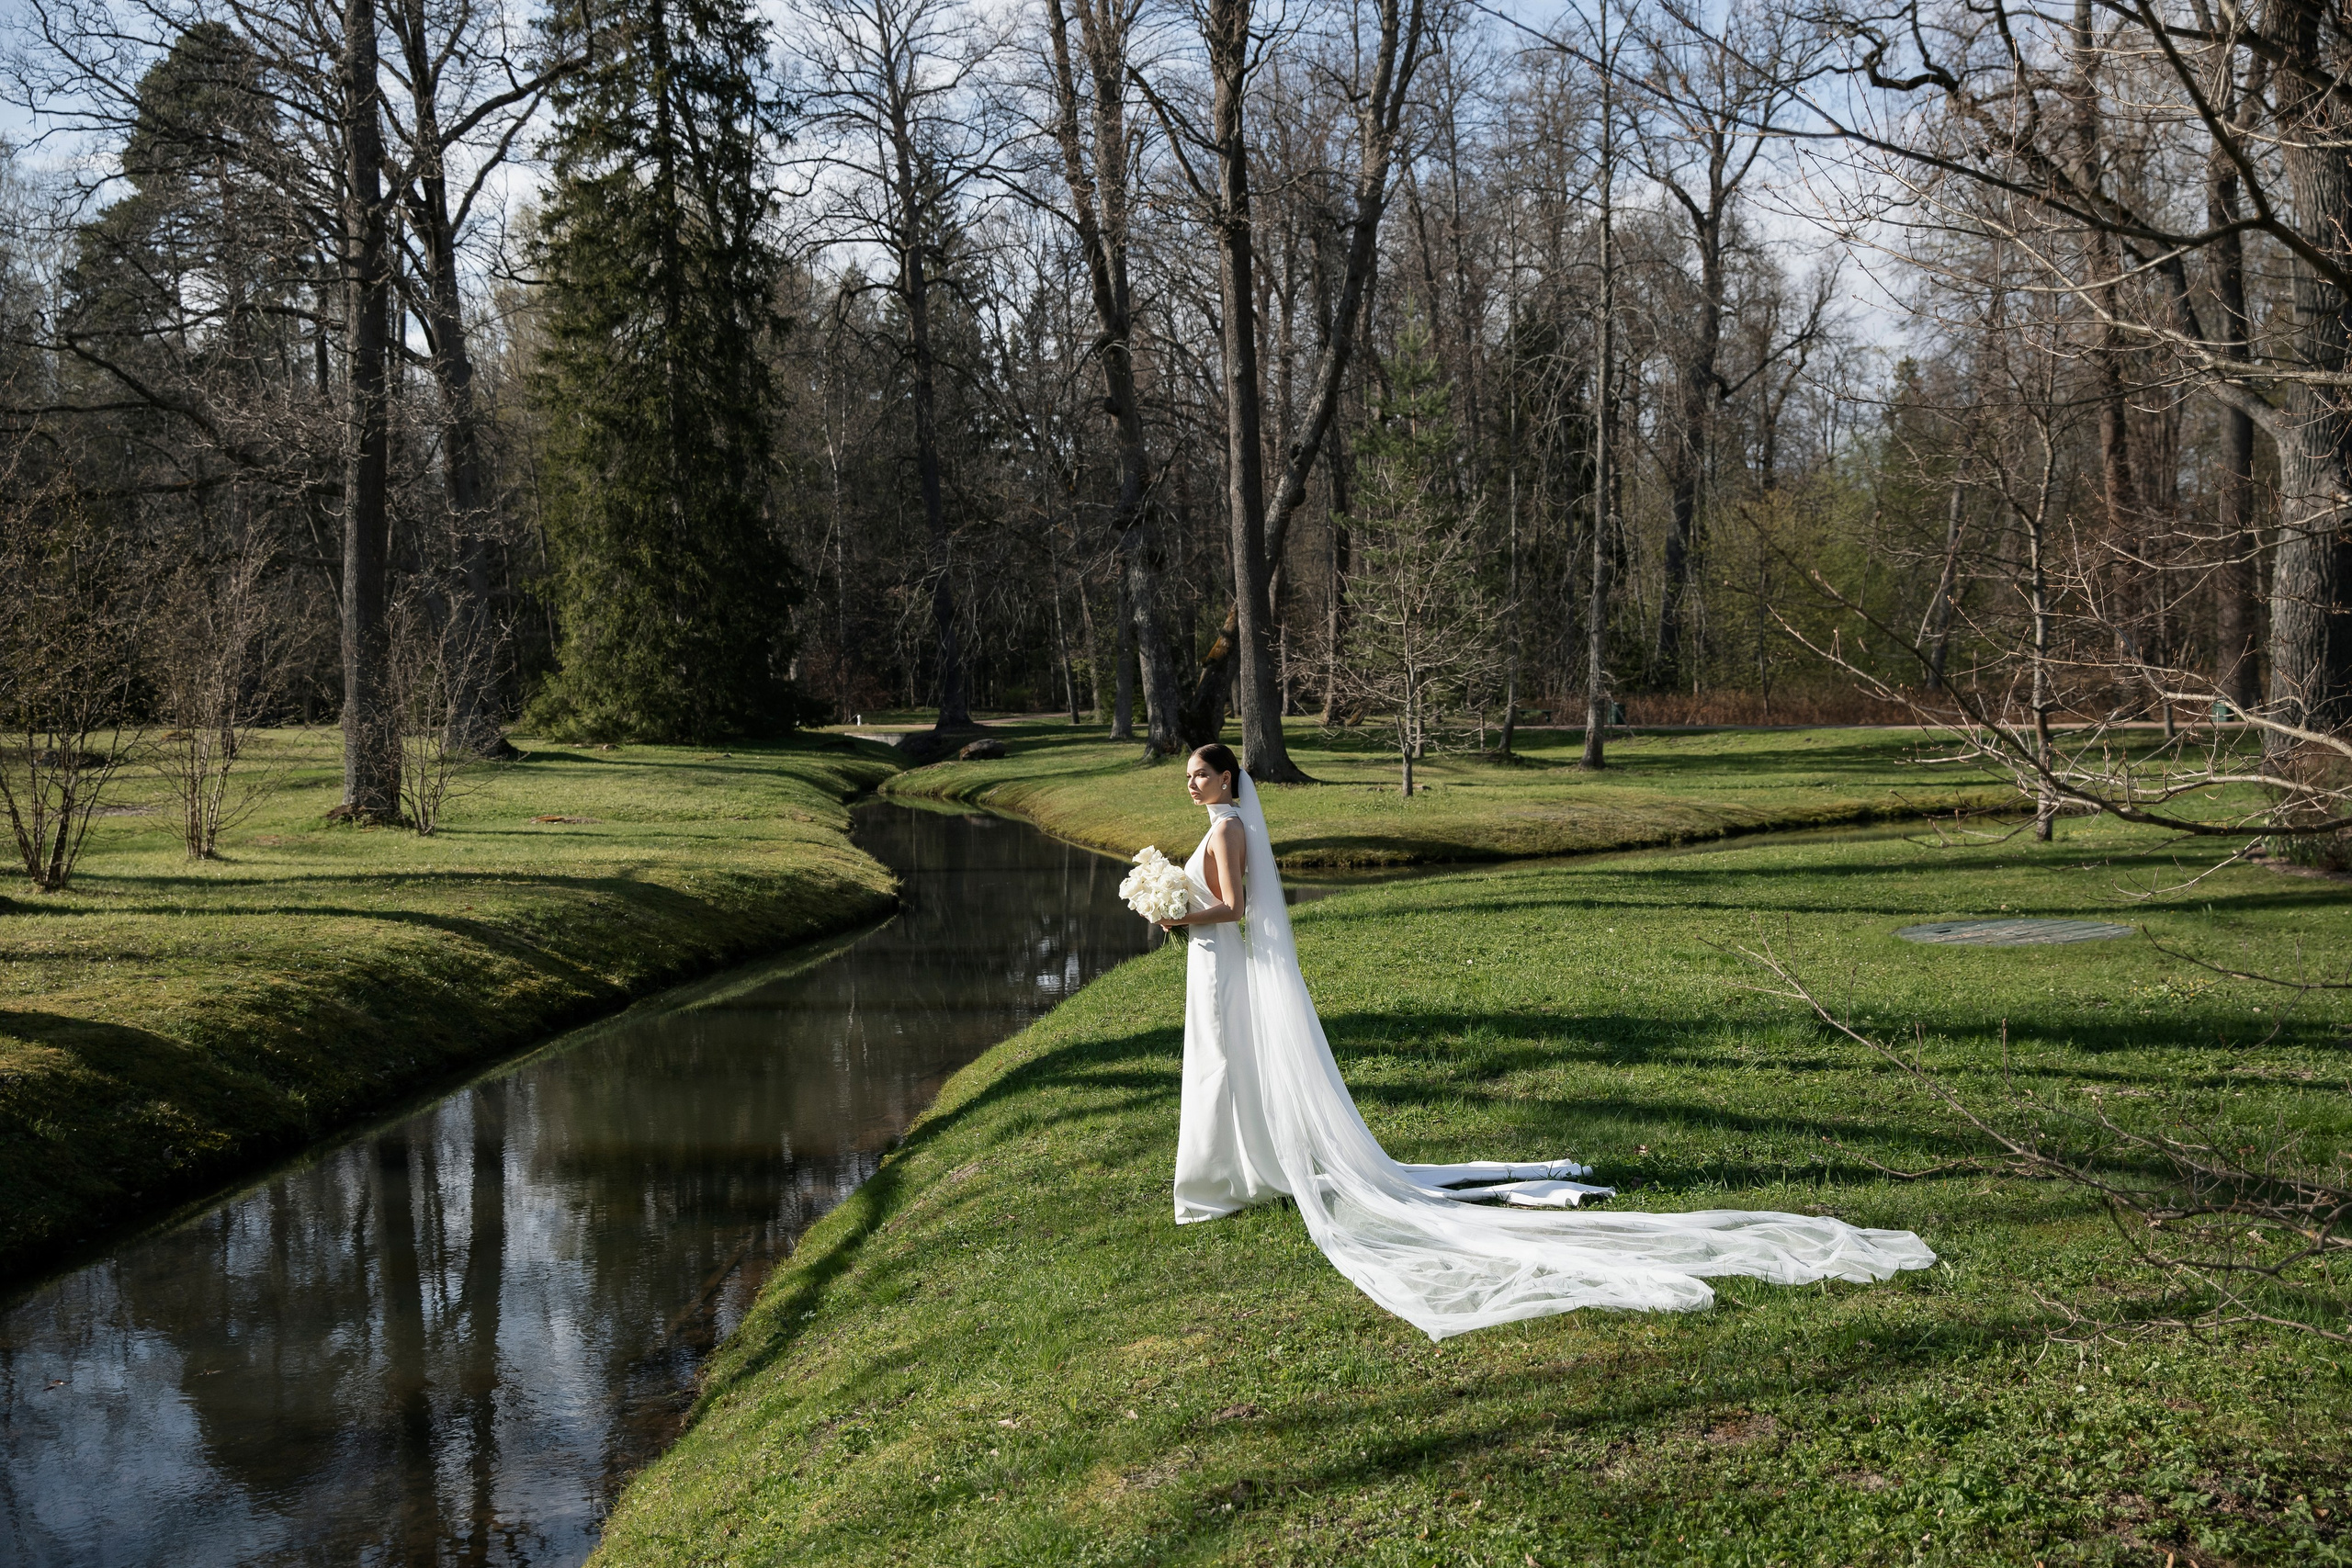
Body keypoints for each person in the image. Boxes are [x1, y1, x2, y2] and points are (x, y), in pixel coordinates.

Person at [1154, 742, 1935, 1340]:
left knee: (1226, 1065)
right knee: (1229, 1066)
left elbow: (1235, 908)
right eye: (1189, 776)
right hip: (1214, 967)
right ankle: (1243, 1167)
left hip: (1219, 959)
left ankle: (1229, 1176)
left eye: (1201, 774)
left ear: (1227, 782)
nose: (1192, 784)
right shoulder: (1221, 824)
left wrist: (1176, 915)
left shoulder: (1227, 832)